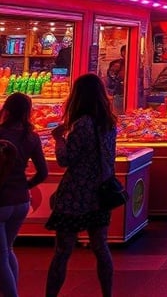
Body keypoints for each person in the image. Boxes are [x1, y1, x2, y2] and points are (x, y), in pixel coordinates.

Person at [45, 74, 117, 297]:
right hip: (100, 192)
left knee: (63, 250)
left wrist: (59, 139)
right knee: (100, 246)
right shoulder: (109, 123)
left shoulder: (82, 124)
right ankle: (107, 293)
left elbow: (66, 159)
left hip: (75, 195)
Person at [0, 93, 48, 297]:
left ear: (6, 110)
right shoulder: (31, 136)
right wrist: (26, 185)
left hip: (1, 200)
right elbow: (43, 172)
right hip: (21, 200)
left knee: (1, 256)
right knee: (8, 249)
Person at [105, 45, 125, 114]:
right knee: (118, 113)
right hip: (118, 93)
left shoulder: (134, 63)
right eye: (125, 51)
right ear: (122, 53)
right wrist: (119, 81)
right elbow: (111, 76)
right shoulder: (117, 64)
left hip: (126, 92)